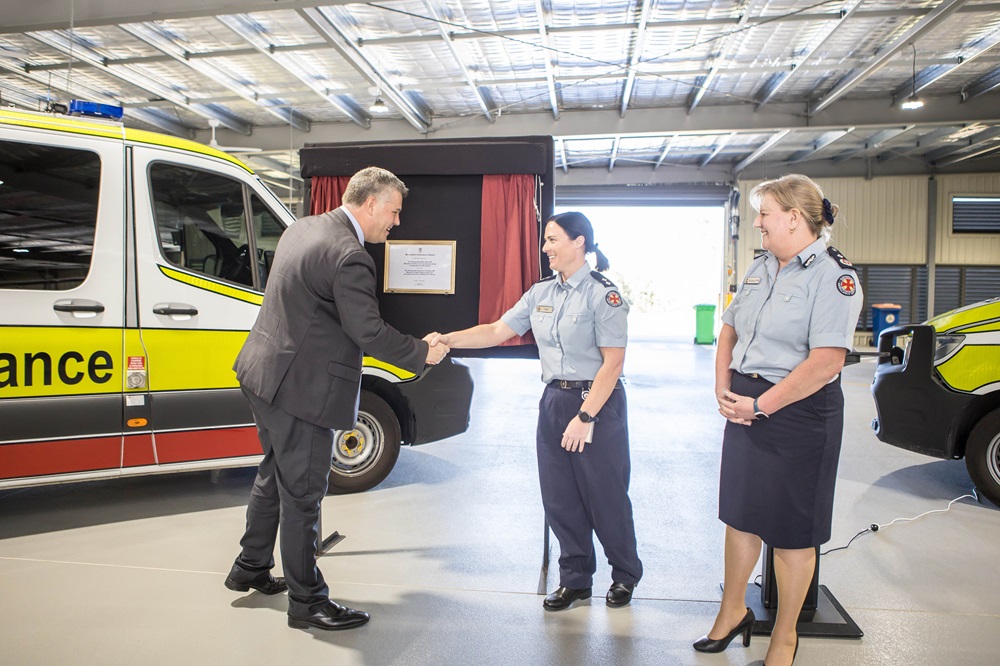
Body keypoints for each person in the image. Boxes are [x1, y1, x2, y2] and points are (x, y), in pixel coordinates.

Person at [224, 166, 449, 631]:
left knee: (275, 472)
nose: (396, 222)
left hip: (262, 372)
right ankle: (307, 602)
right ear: (370, 204)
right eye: (393, 211)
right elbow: (367, 331)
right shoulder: (350, 255)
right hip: (298, 388)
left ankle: (251, 567)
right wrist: (422, 353)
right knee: (303, 494)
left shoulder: (304, 228)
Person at [433, 211, 642, 611]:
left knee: (606, 496)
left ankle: (624, 575)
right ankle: (575, 579)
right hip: (554, 400)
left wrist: (585, 418)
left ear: (579, 242)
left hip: (596, 400)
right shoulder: (541, 293)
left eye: (552, 240)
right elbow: (497, 330)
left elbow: (613, 364)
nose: (545, 248)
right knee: (560, 497)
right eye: (545, 240)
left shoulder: (604, 294)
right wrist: (448, 339)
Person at [694, 174, 863, 666]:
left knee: (793, 531)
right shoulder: (761, 267)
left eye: (764, 213)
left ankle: (785, 637)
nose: (758, 223)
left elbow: (826, 361)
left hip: (801, 411)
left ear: (793, 217)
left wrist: (761, 405)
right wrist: (723, 387)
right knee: (741, 516)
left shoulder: (835, 276)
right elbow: (727, 327)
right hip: (745, 402)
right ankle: (732, 614)